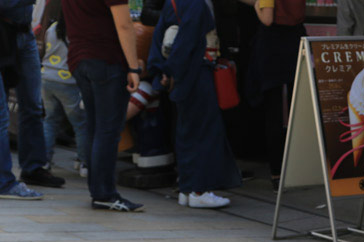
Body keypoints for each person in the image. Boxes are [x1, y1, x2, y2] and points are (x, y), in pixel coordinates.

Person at [147, 0, 241, 209]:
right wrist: (172, 71)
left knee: (186, 132)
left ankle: (187, 188)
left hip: (182, 75)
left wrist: (163, 71)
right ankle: (200, 189)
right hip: (197, 72)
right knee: (205, 131)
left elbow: (159, 37)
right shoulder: (196, 4)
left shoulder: (173, 2)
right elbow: (187, 42)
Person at [61, 0, 144, 211]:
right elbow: (125, 25)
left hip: (80, 58)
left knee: (96, 127)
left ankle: (99, 191)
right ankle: (104, 194)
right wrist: (134, 67)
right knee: (107, 130)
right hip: (106, 59)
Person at [0, 0, 66, 201]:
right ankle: (4, 182)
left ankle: (33, 167)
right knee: (1, 118)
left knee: (33, 104)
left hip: (24, 33)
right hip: (4, 32)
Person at [244, 0, 305, 192]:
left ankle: (277, 173)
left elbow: (267, 18)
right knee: (299, 107)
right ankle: (301, 169)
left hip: (272, 47)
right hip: (296, 41)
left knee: (273, 112)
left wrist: (255, 6)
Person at [41, 11, 89, 178]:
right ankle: (84, 163)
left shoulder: (52, 28)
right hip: (68, 82)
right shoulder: (78, 29)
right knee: (80, 123)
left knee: (49, 121)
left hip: (47, 78)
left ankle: (44, 161)